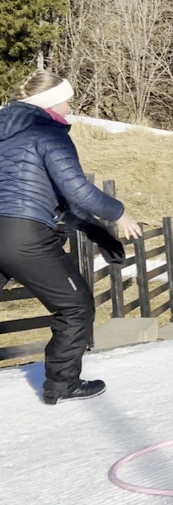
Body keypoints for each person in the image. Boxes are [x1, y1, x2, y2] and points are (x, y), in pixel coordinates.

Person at [0, 71, 142, 405]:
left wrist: (96, 232)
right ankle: (62, 384)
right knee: (75, 306)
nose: (69, 108)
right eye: (66, 100)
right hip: (25, 236)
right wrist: (119, 214)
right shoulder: (47, 132)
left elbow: (53, 200)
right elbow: (78, 192)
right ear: (49, 102)